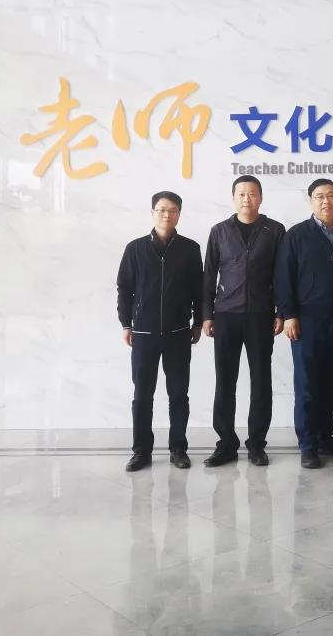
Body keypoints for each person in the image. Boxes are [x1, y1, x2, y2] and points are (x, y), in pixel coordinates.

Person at [201, 176, 286, 468]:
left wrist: (281, 312)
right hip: (226, 315)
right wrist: (206, 315)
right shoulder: (219, 231)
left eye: (252, 194)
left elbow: (282, 275)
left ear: (260, 198)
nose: (246, 198)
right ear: (233, 198)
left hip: (261, 315)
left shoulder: (275, 230)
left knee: (261, 381)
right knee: (225, 381)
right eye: (241, 194)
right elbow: (209, 274)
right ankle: (225, 444)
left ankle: (256, 444)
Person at [274, 178, 333, 469]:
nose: (326, 201)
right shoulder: (296, 235)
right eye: (320, 196)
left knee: (330, 385)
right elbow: (283, 277)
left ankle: (325, 437)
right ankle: (308, 445)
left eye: (331, 195)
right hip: (306, 322)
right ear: (310, 201)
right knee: (307, 386)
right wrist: (289, 314)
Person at [116, 191, 203, 472]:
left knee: (178, 395)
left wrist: (198, 323)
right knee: (142, 396)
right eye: (162, 209)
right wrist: (126, 324)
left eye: (173, 210)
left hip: (178, 333)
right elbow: (124, 289)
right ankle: (141, 451)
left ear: (179, 214)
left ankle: (178, 449)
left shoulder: (190, 249)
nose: (167, 214)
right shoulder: (135, 248)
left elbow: (199, 289)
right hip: (143, 334)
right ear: (153, 212)